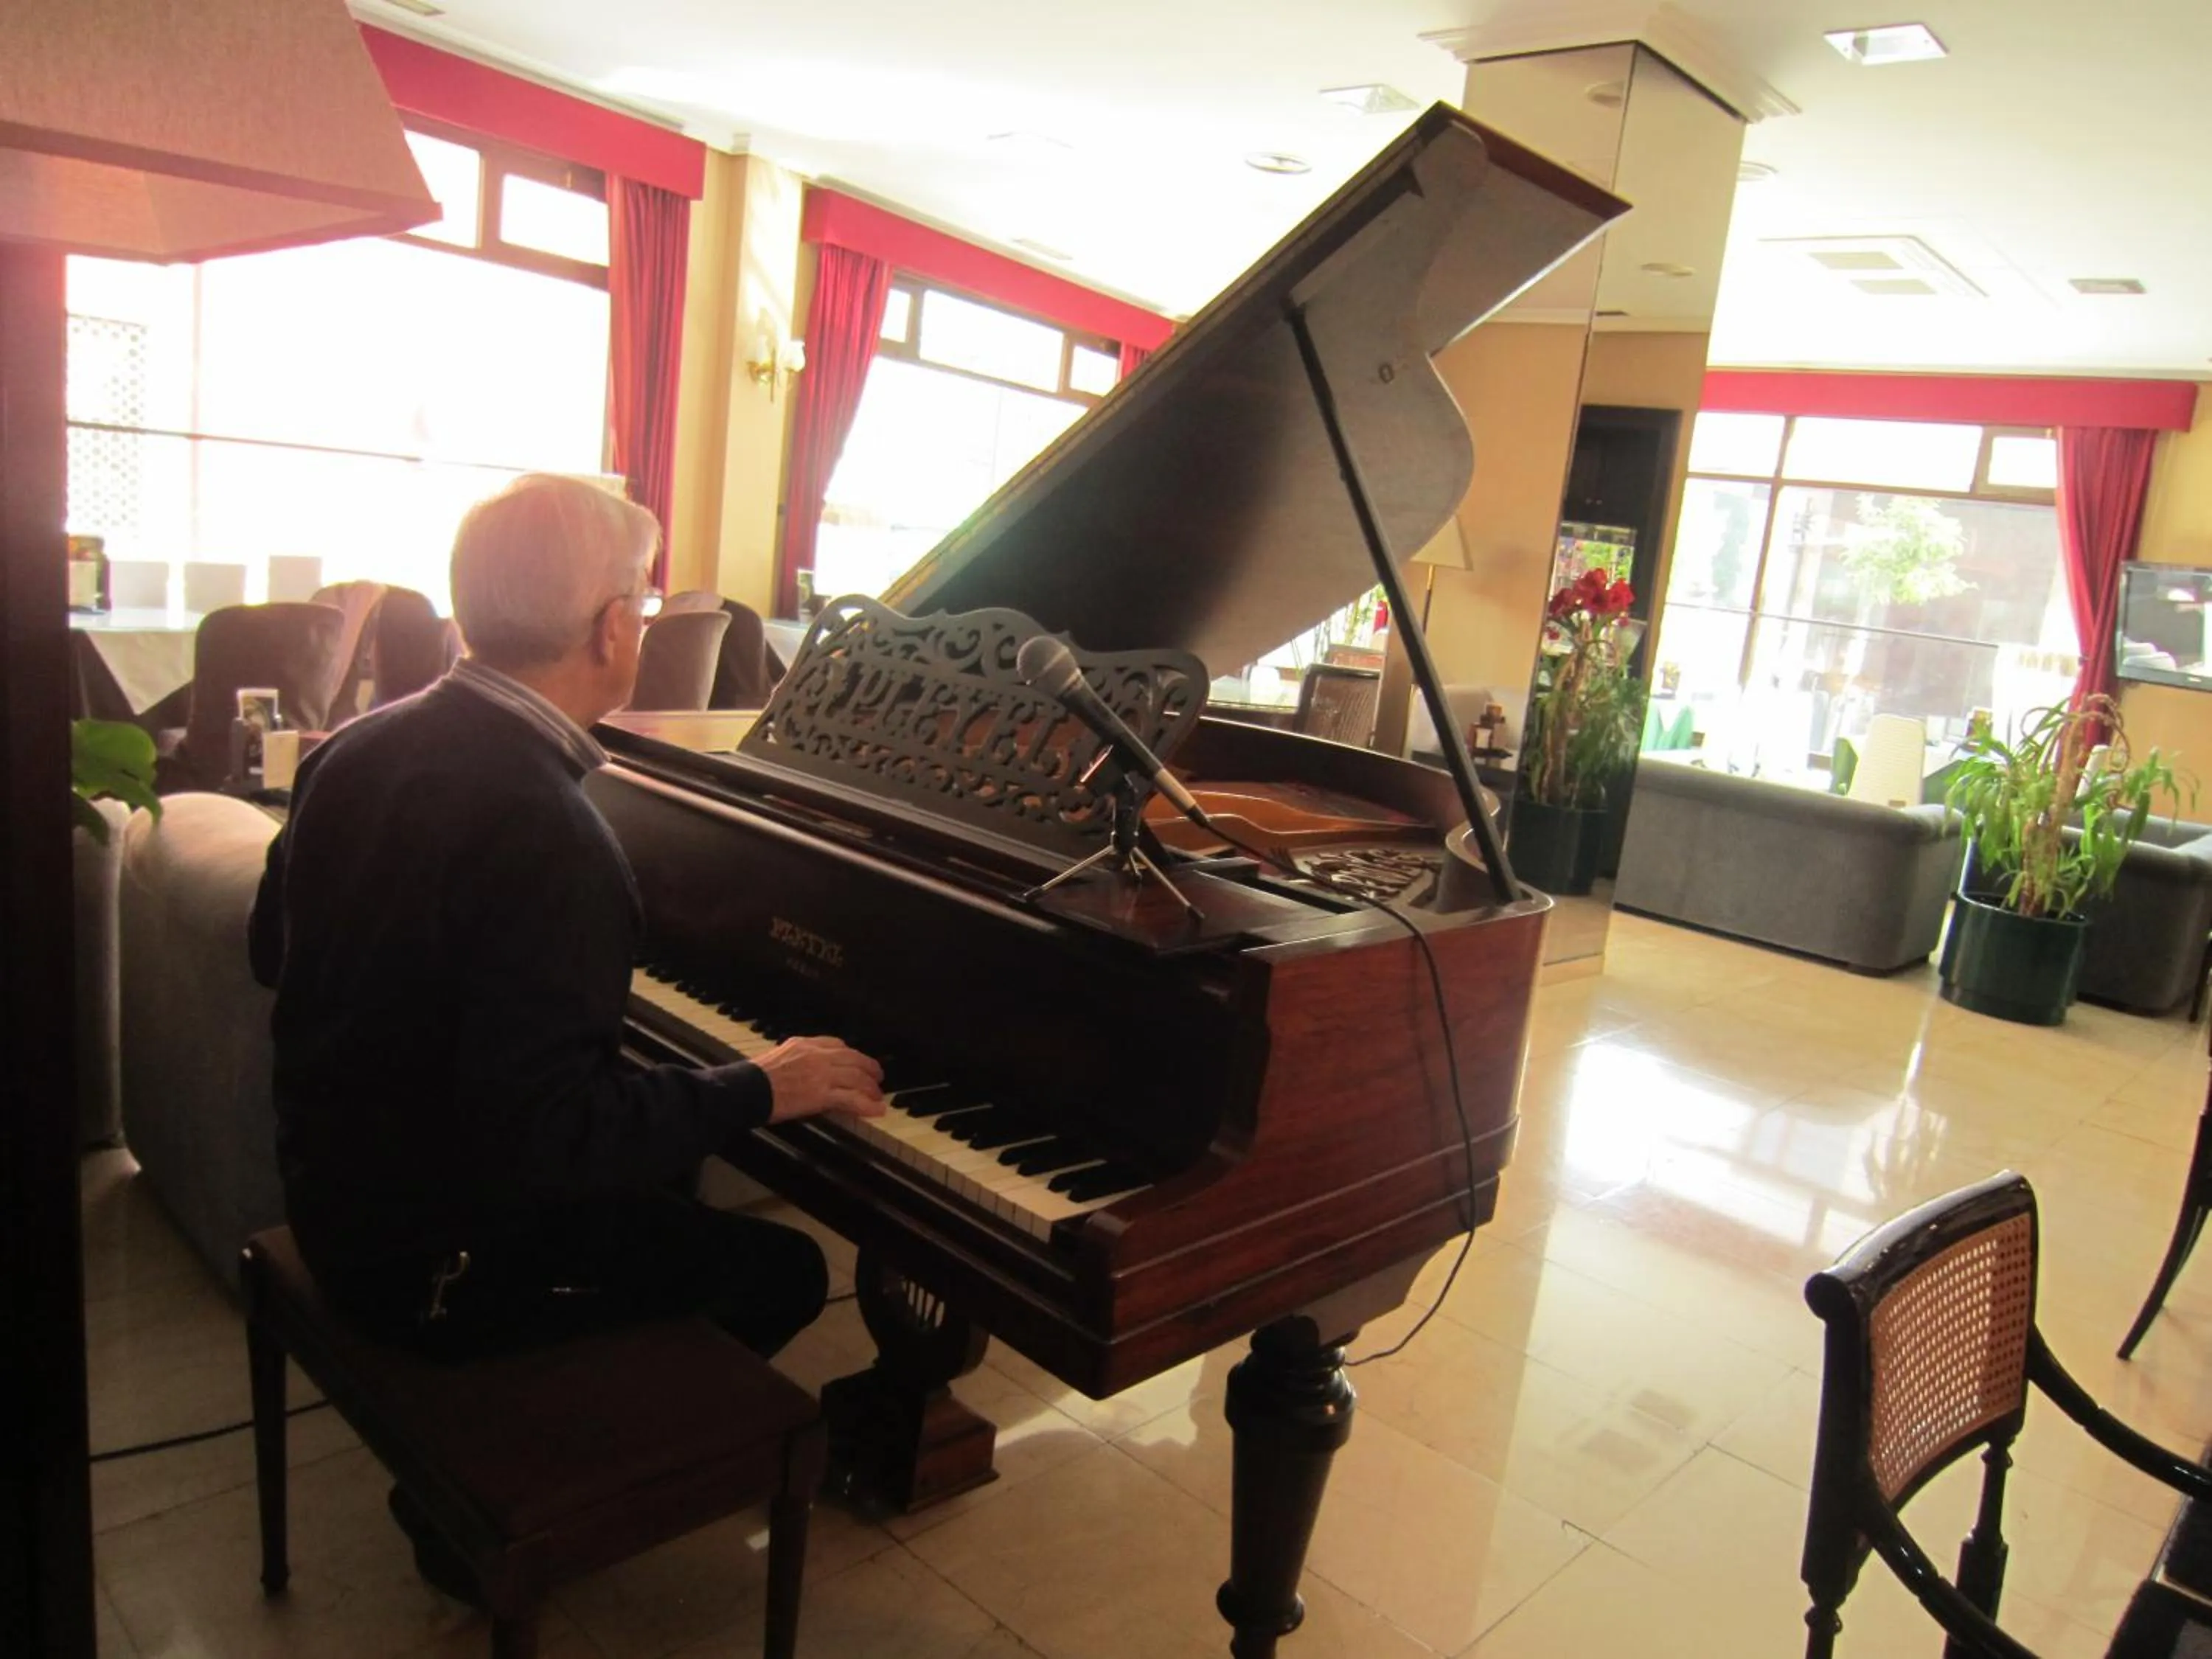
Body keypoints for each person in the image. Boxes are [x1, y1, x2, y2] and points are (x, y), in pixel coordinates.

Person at [248, 476, 885, 1593]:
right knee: (781, 1269)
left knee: (669, 1199)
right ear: (613, 627)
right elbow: (550, 1137)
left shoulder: (355, 744)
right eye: (635, 602)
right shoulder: (552, 830)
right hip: (435, 1265)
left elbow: (272, 949)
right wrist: (762, 1084)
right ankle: (529, 1489)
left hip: (336, 1192)